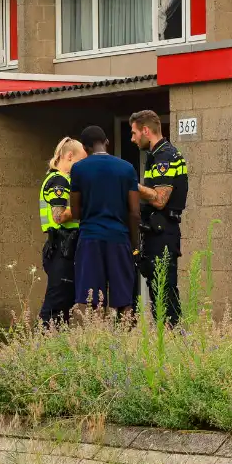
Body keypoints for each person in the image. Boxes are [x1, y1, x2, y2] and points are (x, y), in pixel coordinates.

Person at [69, 126, 142, 314]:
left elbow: (76, 212)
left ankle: (97, 341)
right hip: (119, 238)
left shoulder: (78, 169)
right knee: (124, 299)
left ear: (85, 148)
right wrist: (135, 243)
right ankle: (125, 339)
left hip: (90, 238)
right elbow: (134, 212)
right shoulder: (126, 168)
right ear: (107, 142)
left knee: (93, 300)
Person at [130, 110, 189, 325]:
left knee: (164, 290)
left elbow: (160, 199)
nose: (132, 139)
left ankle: (174, 335)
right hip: (156, 231)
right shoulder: (156, 155)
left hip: (163, 231)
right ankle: (166, 337)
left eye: (134, 133)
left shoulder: (165, 156)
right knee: (158, 288)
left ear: (146, 131)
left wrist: (131, 186)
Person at [38, 137, 87, 327]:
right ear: (69, 156)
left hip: (64, 248)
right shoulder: (59, 180)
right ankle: (43, 348)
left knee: (64, 308)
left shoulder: (62, 179)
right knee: (55, 306)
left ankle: (56, 350)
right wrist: (87, 208)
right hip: (61, 248)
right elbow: (58, 216)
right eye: (80, 162)